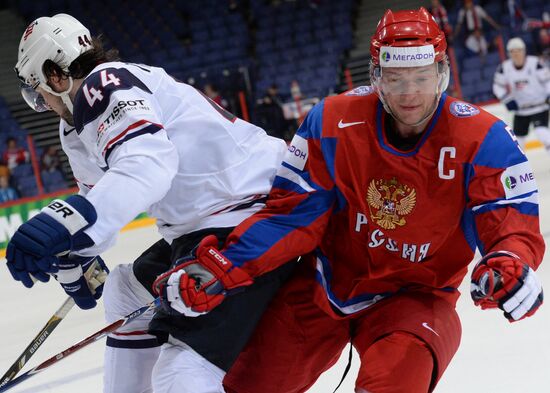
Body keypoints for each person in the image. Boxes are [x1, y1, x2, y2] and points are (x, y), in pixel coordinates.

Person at [151, 7, 545, 393]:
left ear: (442, 73)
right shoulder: (332, 121)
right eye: (395, 78)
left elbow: (509, 224)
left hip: (418, 298)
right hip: (324, 285)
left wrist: (510, 262)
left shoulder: (484, 138)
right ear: (376, 77)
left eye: (422, 77)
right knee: (248, 385)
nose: (410, 93)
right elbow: (292, 216)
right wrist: (223, 266)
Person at [8, 13, 292, 393]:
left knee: (180, 374)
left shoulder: (104, 83)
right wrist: (76, 253)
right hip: (209, 222)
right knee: (123, 289)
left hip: (251, 218)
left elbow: (148, 163)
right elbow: (99, 198)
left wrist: (61, 223)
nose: (40, 102)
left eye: (37, 90)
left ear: (56, 75)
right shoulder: (77, 121)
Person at [493, 37, 550, 151]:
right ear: (509, 53)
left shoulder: (535, 63)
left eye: (518, 50)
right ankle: (519, 168)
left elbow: (548, 81)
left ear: (524, 51)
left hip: (540, 107)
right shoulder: (504, 67)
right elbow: (497, 86)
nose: (516, 54)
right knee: (517, 143)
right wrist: (507, 100)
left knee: (542, 134)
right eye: (513, 51)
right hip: (521, 110)